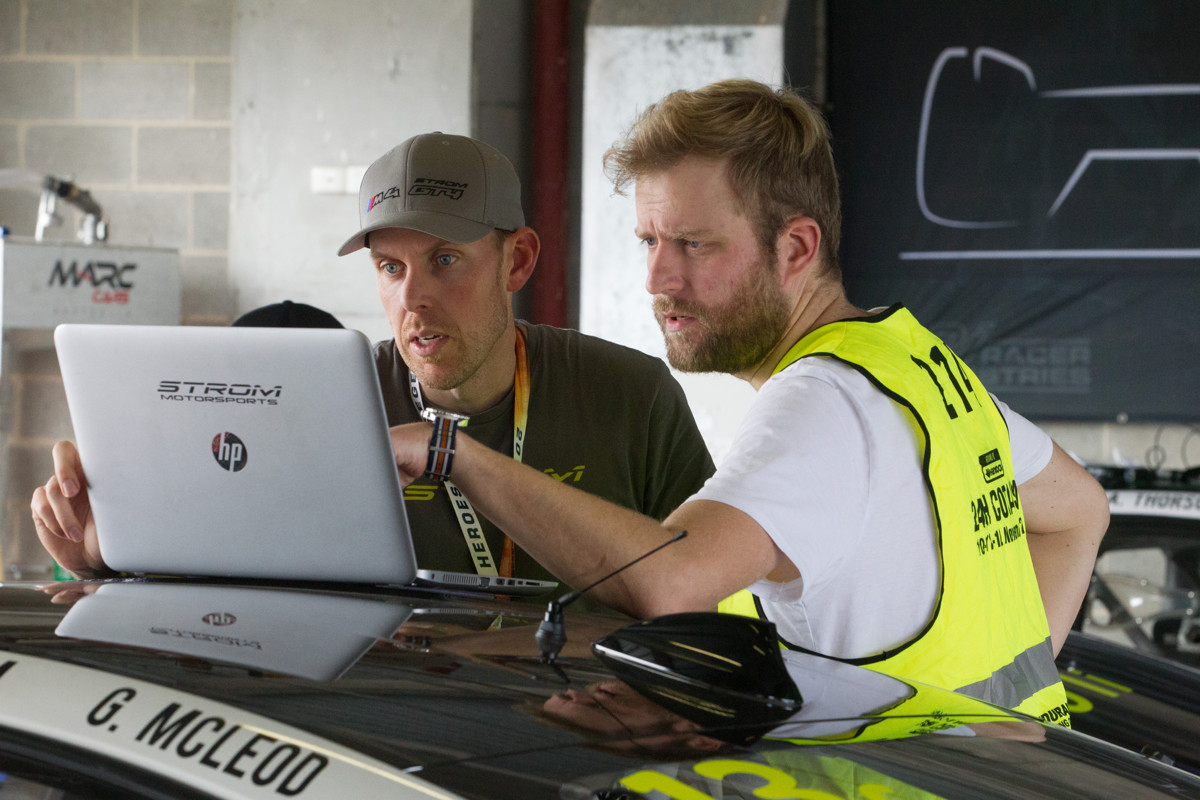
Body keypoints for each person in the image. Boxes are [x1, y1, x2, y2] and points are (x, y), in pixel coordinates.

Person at [384, 80, 1109, 725]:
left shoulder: (822, 403)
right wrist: (995, 716)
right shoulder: (908, 364)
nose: (657, 279)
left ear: (795, 249)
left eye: (693, 245)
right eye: (648, 241)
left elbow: (670, 582)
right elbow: (1080, 510)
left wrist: (449, 451)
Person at [30, 132, 715, 592]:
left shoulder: (630, 397)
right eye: (390, 267)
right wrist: (102, 560)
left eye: (445, 260)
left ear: (518, 261)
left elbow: (709, 598)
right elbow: (232, 610)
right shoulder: (321, 404)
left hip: (581, 733)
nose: (413, 299)